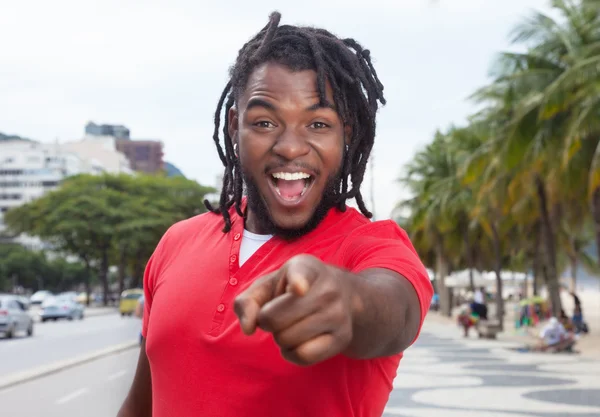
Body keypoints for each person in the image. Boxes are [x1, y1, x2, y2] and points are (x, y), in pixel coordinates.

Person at [118, 12, 432, 417]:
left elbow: (395, 311)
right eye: (265, 122)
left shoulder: (372, 248)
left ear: (347, 134)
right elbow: (140, 405)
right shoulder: (176, 242)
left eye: (318, 123)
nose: (289, 147)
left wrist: (348, 301)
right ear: (235, 127)